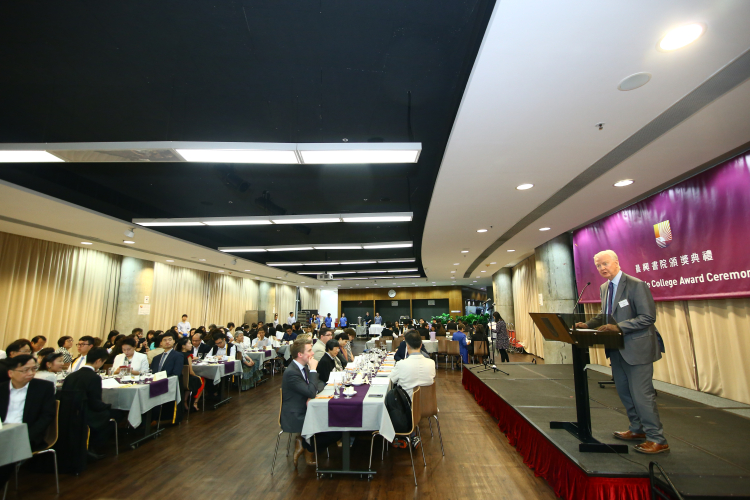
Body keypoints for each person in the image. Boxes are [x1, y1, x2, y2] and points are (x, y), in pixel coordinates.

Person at [575, 249, 668, 455]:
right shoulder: (604, 287)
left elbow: (647, 317)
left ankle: (657, 439)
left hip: (637, 348)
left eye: (605, 263)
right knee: (625, 392)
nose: (602, 268)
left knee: (642, 395)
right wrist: (587, 324)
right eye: (598, 265)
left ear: (616, 262)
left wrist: (619, 327)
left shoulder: (636, 285)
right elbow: (605, 314)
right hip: (616, 348)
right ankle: (637, 429)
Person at [282, 338, 340, 467]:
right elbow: (311, 391)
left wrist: (310, 393)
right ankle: (306, 445)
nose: (313, 354)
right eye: (309, 351)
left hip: (308, 407)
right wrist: (313, 370)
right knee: (336, 430)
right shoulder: (292, 372)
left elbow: (319, 384)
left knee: (337, 422)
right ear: (300, 355)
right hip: (296, 414)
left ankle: (306, 444)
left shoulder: (302, 367)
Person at [60, 347, 115, 459]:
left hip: (67, 413)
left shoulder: (71, 376)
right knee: (113, 415)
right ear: (99, 361)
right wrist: (109, 406)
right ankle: (93, 446)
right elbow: (95, 403)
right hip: (85, 414)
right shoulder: (94, 378)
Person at [0, 355, 56, 456]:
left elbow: (46, 416)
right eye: (25, 370)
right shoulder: (2, 389)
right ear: (10, 373)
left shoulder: (44, 388)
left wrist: (26, 436)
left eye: (34, 369)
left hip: (27, 434)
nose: (31, 373)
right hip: (3, 432)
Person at [390, 331, 436, 399]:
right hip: (427, 404)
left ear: (407, 346)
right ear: (421, 345)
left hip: (407, 404)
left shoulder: (401, 364)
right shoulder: (431, 363)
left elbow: (391, 379)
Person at [176, 338, 204, 411]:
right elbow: (190, 372)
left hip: (178, 379)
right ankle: (194, 402)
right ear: (183, 346)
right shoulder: (188, 356)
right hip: (186, 380)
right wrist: (196, 375)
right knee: (201, 379)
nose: (191, 345)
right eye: (189, 343)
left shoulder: (176, 354)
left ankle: (186, 399)